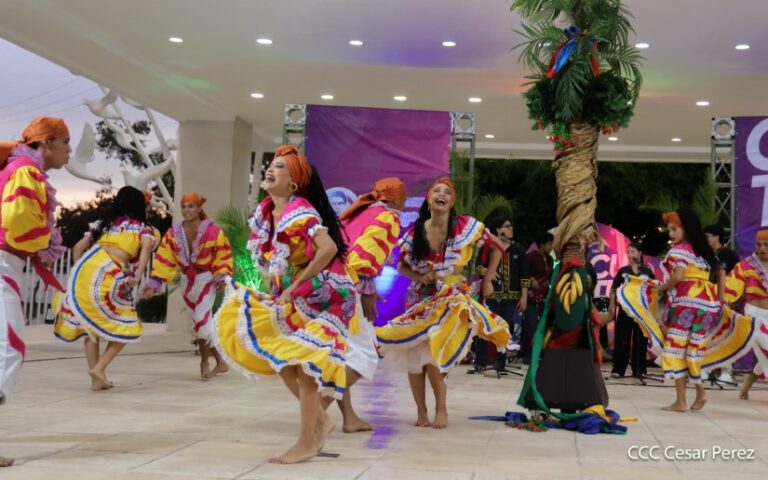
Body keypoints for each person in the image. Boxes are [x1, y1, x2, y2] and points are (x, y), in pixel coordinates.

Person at [212, 145, 357, 464]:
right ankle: (321, 419)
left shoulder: (299, 209)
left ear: (293, 184)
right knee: (280, 354)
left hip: (331, 295)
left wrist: (295, 284)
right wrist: (277, 292)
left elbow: (328, 247)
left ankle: (307, 441)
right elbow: (278, 264)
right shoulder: (266, 213)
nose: (270, 170)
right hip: (303, 294)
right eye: (271, 165)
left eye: (279, 167)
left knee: (304, 364)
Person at [375, 177, 510, 429]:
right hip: (419, 299)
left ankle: (441, 408)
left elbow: (498, 247)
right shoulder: (416, 231)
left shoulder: (464, 226)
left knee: (435, 352)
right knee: (415, 356)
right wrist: (418, 275)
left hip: (450, 298)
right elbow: (401, 264)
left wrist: (489, 278)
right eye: (436, 190)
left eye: (446, 192)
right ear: (429, 199)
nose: (441, 194)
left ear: (452, 201)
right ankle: (421, 412)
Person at [617, 207, 756, 412]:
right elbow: (721, 272)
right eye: (670, 230)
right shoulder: (703, 251)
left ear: (685, 229)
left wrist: (662, 288)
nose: (671, 234)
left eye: (674, 229)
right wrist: (720, 299)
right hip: (707, 304)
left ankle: (684, 400)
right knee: (692, 350)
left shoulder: (680, 250)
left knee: (675, 348)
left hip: (686, 304)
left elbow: (678, 276)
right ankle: (697, 391)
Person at [0, 116, 70, 468]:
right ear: (47, 143)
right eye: (65, 142)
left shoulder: (22, 169)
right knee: (9, 348)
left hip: (6, 265)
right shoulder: (25, 171)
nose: (69, 151)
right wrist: (45, 240)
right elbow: (18, 223)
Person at [320, 177, 407, 433]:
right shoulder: (388, 217)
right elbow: (362, 257)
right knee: (365, 355)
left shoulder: (361, 212)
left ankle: (349, 418)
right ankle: (314, 410)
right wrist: (367, 289)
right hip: (349, 287)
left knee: (343, 355)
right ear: (395, 199)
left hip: (331, 284)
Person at [53, 186, 160, 391]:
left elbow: (77, 248)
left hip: (87, 269)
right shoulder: (142, 228)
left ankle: (96, 380)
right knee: (128, 324)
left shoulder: (103, 225)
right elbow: (146, 249)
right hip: (110, 272)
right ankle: (99, 369)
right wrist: (136, 277)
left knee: (89, 327)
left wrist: (79, 275)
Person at [141, 193, 233, 379]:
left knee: (202, 322)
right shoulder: (174, 233)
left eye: (191, 206)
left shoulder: (213, 231)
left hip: (206, 279)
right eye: (184, 206)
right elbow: (164, 259)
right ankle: (221, 362)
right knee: (198, 326)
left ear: (199, 209)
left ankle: (204, 362)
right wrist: (155, 283)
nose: (186, 210)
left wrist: (221, 276)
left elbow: (223, 254)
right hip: (187, 281)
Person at [474, 214, 529, 370]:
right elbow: (477, 266)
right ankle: (480, 361)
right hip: (490, 295)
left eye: (511, 226)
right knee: (485, 328)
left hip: (511, 297)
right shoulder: (488, 246)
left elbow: (524, 274)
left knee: (504, 329)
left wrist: (524, 296)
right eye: (507, 226)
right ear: (498, 229)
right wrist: (486, 270)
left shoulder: (518, 249)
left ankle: (501, 362)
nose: (511, 229)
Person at [724, 230, 768, 400]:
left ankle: (747, 384)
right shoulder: (745, 266)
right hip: (754, 316)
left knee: (764, 355)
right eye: (759, 245)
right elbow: (729, 289)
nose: (762, 248)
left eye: (766, 245)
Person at [609, 242, 654, 378]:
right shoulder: (623, 271)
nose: (629, 255)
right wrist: (612, 304)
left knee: (641, 340)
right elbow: (613, 289)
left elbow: (654, 291)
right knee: (622, 338)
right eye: (628, 252)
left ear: (640, 253)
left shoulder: (647, 271)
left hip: (641, 311)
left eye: (633, 252)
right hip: (625, 309)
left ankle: (639, 369)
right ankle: (618, 369)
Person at [704, 224, 740, 384]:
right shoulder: (705, 254)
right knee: (707, 334)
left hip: (725, 300)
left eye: (708, 236)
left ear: (717, 237)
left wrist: (731, 297)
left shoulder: (729, 254)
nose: (706, 240)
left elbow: (738, 278)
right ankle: (705, 368)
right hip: (707, 300)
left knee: (725, 334)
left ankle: (726, 371)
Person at [523, 231, 554, 362]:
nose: (551, 247)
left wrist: (549, 282)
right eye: (549, 244)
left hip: (544, 298)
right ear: (541, 244)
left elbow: (551, 277)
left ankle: (542, 354)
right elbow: (522, 272)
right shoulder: (530, 257)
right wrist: (531, 280)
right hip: (530, 298)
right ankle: (528, 356)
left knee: (544, 327)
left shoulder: (551, 260)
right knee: (531, 326)